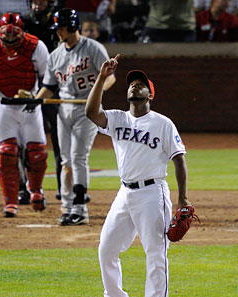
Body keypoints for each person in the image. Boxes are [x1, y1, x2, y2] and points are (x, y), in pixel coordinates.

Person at [85, 55, 192, 297]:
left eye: (140, 84)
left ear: (149, 95)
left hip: (152, 193)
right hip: (125, 193)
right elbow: (92, 113)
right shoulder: (117, 118)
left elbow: (179, 159)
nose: (134, 85)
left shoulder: (163, 124)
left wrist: (183, 198)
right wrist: (102, 78)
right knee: (107, 248)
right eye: (132, 83)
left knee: (155, 253)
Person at [35, 8, 116, 226]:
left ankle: (81, 208)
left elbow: (110, 78)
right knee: (66, 161)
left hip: (87, 110)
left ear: (72, 27)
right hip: (64, 110)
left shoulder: (93, 48)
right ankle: (67, 206)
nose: (58, 33)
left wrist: (97, 93)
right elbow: (49, 88)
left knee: (78, 157)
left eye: (61, 28)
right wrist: (35, 100)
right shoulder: (55, 56)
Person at [0, 12, 50, 217]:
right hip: (3, 106)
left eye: (13, 33)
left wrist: (38, 98)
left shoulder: (36, 47)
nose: (8, 38)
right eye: (5, 33)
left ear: (22, 31)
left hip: (30, 107)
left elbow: (48, 77)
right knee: (7, 153)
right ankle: (10, 201)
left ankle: (36, 191)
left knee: (37, 153)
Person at [17, 0, 64, 205]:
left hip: (55, 87)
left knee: (61, 140)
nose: (37, 5)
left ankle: (65, 188)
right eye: (34, 1)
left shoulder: (58, 22)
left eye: (41, 1)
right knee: (25, 140)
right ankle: (26, 187)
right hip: (30, 87)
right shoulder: (24, 22)